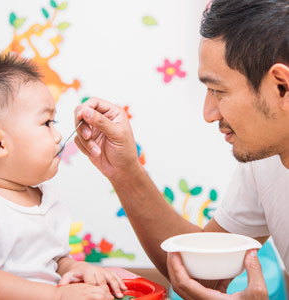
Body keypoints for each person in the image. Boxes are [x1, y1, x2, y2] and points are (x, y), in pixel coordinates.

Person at [73, 0, 289, 299]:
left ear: (282, 87)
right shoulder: (264, 162)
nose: (209, 113)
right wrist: (123, 169)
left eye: (218, 91)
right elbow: (202, 272)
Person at [0, 52, 127, 300]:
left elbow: (53, 260)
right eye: (46, 123)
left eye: (55, 122)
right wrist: (56, 295)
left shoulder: (48, 198)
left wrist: (75, 268)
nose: (57, 136)